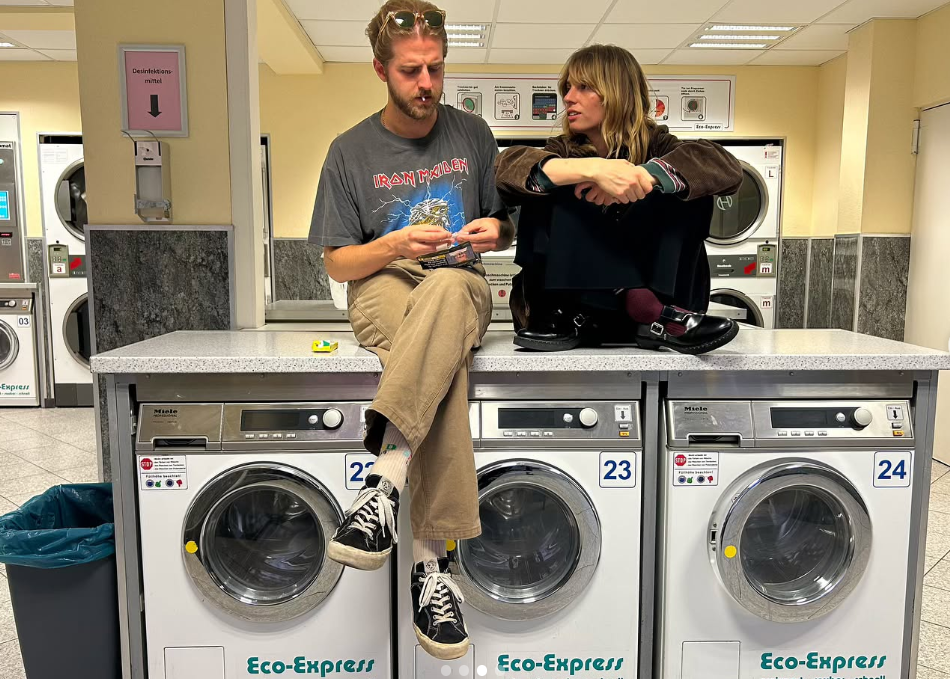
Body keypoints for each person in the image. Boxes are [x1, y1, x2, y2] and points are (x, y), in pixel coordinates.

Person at [308, 1, 513, 661]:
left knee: (450, 290)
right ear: (380, 69)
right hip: (384, 284)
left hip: (460, 284)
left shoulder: (473, 134)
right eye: (410, 71)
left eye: (435, 68)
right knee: (441, 367)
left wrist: (495, 232)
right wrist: (394, 243)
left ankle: (385, 482)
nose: (426, 84)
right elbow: (338, 260)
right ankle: (433, 566)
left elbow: (503, 225)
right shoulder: (349, 151)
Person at [495, 45, 744, 354]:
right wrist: (591, 169)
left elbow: (728, 169)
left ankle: (650, 309)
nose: (569, 97)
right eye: (567, 88)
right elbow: (506, 168)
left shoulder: (660, 145)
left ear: (617, 93)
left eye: (583, 87)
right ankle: (640, 306)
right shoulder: (562, 149)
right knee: (547, 178)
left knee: (687, 183)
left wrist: (646, 176)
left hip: (662, 300)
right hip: (569, 314)